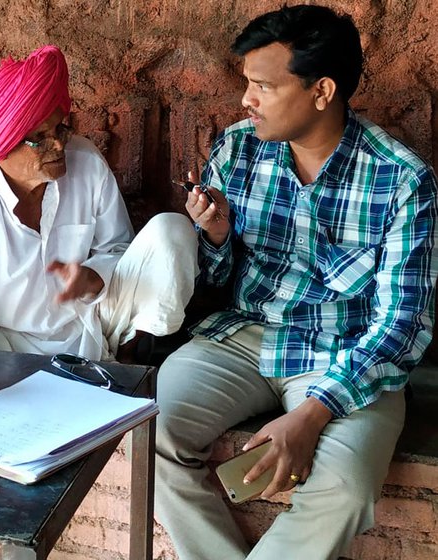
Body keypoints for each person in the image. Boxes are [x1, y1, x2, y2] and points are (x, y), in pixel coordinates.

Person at [154, 5, 438, 559]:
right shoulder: (238, 149)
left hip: (348, 353)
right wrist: (214, 236)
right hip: (244, 336)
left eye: (262, 85)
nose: (246, 100)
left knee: (348, 487)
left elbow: (403, 325)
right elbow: (214, 278)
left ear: (321, 91)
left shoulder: (402, 179)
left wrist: (313, 412)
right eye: (247, 84)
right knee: (148, 433)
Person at [0, 45, 198, 363]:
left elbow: (119, 250)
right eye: (39, 137)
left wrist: (93, 276)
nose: (58, 145)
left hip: (91, 322)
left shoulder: (86, 162)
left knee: (171, 230)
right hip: (6, 346)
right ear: (1, 146)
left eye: (60, 129)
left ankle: (129, 358)